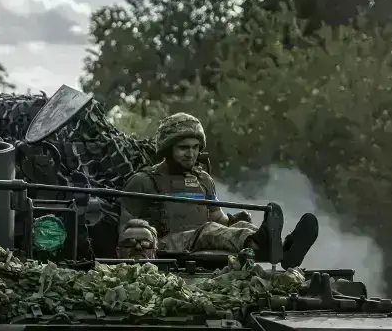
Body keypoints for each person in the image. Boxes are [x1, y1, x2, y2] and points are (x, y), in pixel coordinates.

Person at [118, 112, 318, 268]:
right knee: (207, 231)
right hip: (161, 245)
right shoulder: (143, 181)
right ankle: (261, 242)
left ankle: (283, 250)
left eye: (195, 147)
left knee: (241, 226)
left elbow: (218, 219)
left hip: (200, 240)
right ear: (167, 148)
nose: (191, 154)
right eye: (183, 148)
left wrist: (233, 221)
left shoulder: (203, 179)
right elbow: (125, 233)